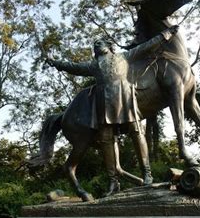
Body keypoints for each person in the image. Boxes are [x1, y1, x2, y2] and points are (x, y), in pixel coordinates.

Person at [47, 25, 179, 196]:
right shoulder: (94, 65)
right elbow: (74, 67)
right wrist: (56, 63)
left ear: (108, 46)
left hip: (125, 98)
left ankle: (147, 174)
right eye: (94, 45)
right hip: (104, 103)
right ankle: (113, 182)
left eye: (99, 43)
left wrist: (165, 34)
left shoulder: (124, 56)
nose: (96, 46)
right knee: (107, 140)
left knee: (136, 132)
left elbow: (146, 46)